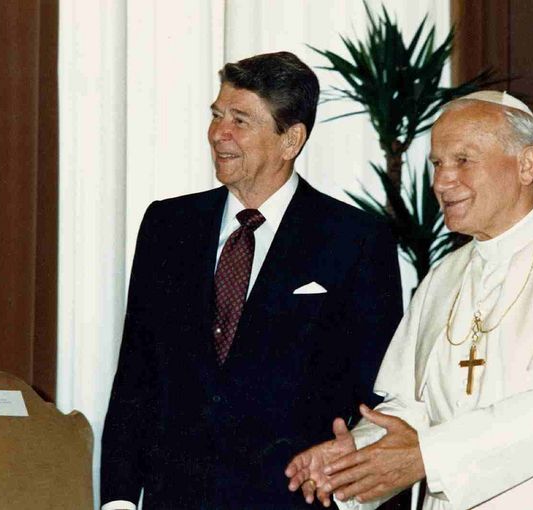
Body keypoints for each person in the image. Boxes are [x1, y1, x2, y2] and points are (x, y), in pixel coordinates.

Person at [285, 90, 533, 510]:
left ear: (526, 164)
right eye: (437, 163)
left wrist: (428, 457)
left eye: (463, 160)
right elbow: (412, 407)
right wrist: (355, 461)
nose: (441, 180)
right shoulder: (445, 275)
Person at [100, 51, 403, 510]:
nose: (219, 133)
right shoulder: (168, 226)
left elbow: (376, 393)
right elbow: (135, 378)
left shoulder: (355, 240)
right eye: (217, 115)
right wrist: (119, 501)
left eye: (240, 120)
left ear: (291, 140)